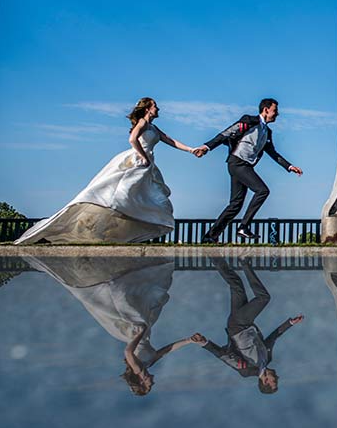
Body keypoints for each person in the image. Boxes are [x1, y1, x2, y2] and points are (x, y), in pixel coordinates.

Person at [16, 97, 204, 244]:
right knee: (121, 195)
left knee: (144, 198)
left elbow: (170, 140)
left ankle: (117, 227)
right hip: (138, 162)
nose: (158, 109)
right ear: (148, 108)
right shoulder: (142, 123)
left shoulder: (153, 127)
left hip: (146, 165)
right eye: (155, 106)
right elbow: (132, 140)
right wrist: (144, 157)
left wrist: (191, 149)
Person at [23, 256, 206, 396]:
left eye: (150, 385)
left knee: (126, 299)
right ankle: (122, 274)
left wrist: (139, 334)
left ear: (141, 382)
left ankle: (113, 277)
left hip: (134, 330)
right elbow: (166, 350)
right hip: (143, 329)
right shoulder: (148, 364)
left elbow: (127, 352)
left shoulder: (137, 367)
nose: (153, 382)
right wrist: (189, 340)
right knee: (144, 297)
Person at [194, 98, 302, 243]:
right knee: (262, 191)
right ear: (266, 110)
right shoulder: (249, 121)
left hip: (245, 166)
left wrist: (289, 166)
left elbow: (273, 153)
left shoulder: (267, 132)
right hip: (237, 163)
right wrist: (206, 147)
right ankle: (243, 227)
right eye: (275, 111)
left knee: (235, 204)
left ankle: (210, 237)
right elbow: (227, 133)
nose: (277, 114)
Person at [195, 259, 303, 394]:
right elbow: (273, 337)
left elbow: (224, 357)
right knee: (236, 284)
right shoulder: (267, 359)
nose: (277, 377)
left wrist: (205, 343)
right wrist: (290, 323)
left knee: (263, 298)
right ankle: (214, 255)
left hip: (238, 326)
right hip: (245, 323)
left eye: (274, 380)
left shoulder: (247, 370)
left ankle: (244, 261)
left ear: (265, 381)